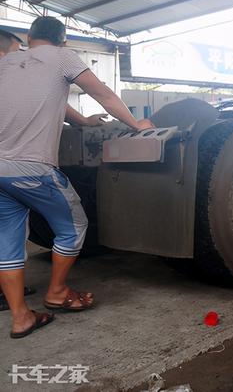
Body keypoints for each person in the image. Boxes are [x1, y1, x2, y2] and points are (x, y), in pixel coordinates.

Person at [0, 17, 153, 339]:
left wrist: (83, 121)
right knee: (73, 226)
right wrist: (136, 124)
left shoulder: (11, 61)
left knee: (8, 242)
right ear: (63, 41)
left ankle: (20, 318)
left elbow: (41, 98)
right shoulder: (62, 57)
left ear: (29, 37)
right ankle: (56, 292)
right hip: (32, 168)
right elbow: (103, 93)